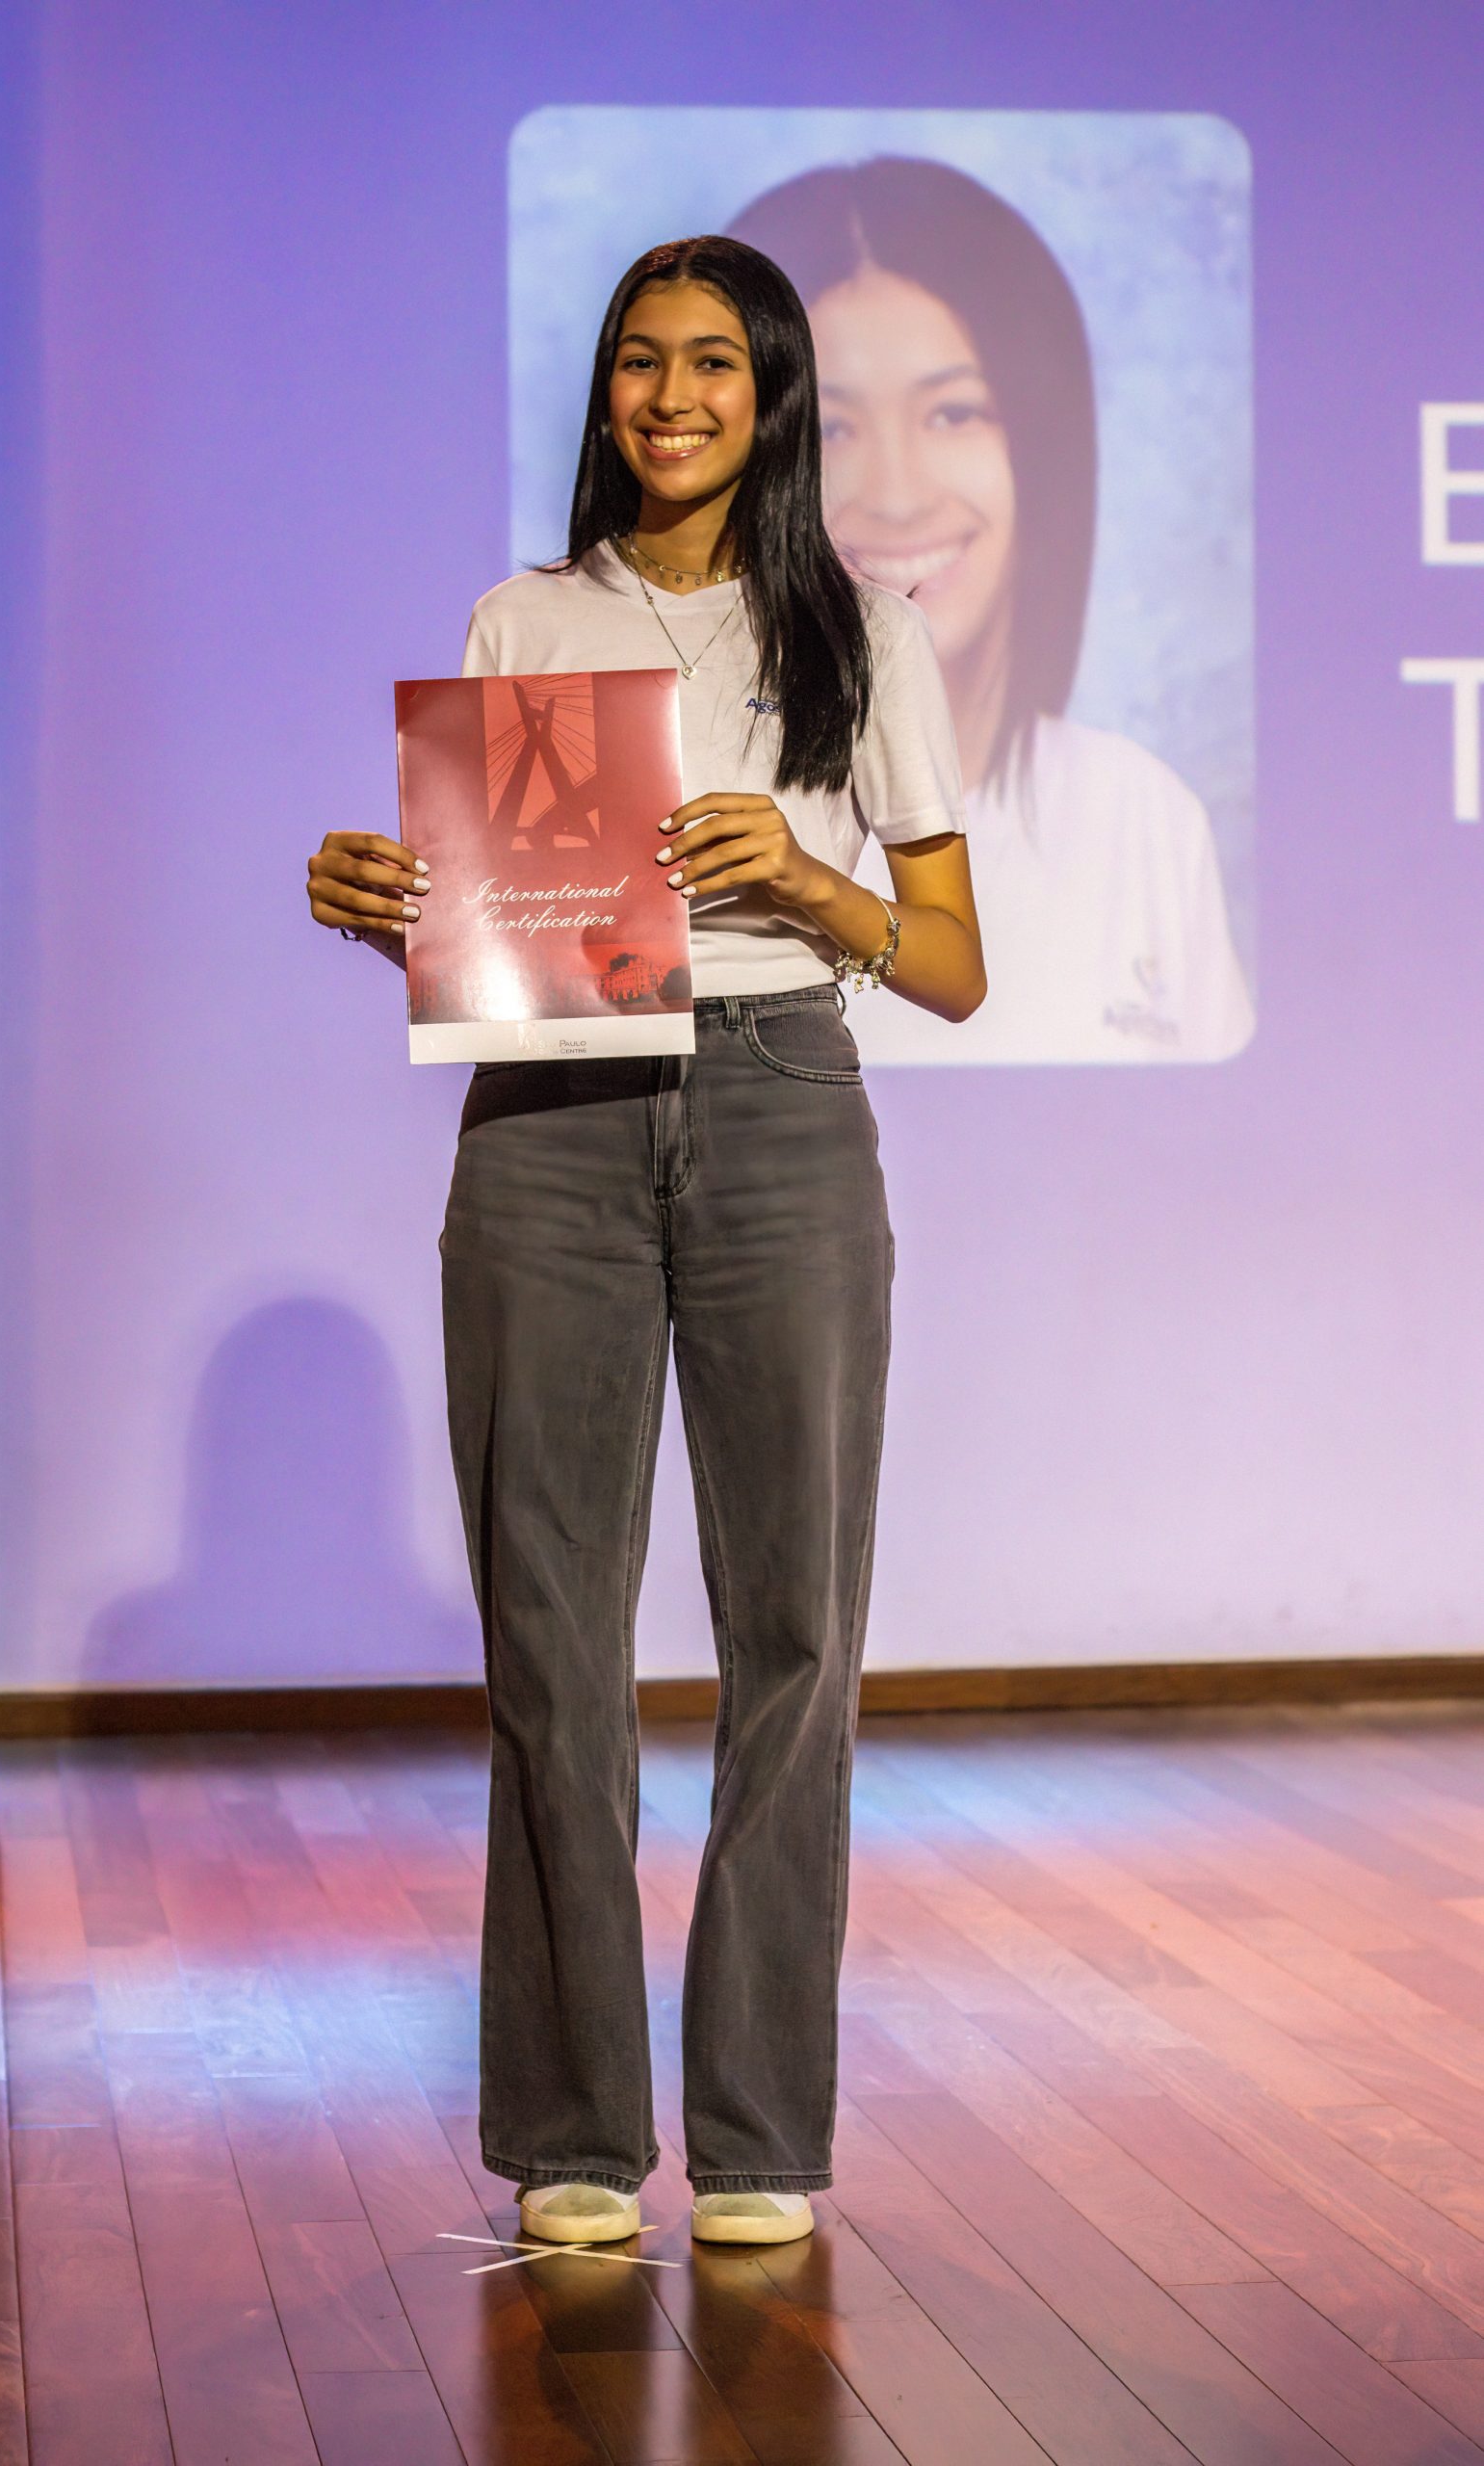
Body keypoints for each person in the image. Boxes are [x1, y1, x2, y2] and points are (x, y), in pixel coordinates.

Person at [305, 236, 982, 2247]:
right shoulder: (522, 619)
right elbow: (511, 929)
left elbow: (951, 963)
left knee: (794, 1635)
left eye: (709, 364)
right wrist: (389, 906)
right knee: (549, 1636)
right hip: (552, 1127)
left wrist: (810, 879)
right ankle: (574, 2132)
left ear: (770, 396)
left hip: (783, 1106)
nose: (668, 397)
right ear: (602, 392)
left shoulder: (861, 632)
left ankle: (759, 2136)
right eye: (635, 361)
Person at [730, 157, 1255, 1062]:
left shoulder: (1139, 818)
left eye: (951, 414)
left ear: (1040, 454)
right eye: (831, 429)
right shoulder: (693, 798)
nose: (896, 496)